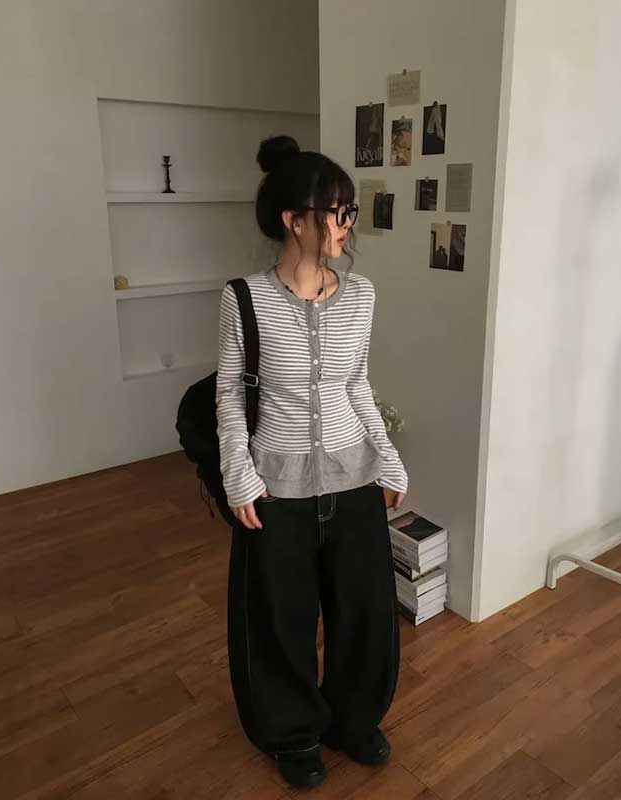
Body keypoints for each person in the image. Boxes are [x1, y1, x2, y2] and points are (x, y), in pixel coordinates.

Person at [216, 135, 409, 789]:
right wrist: (239, 474)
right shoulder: (244, 298)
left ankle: (353, 721)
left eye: (349, 211)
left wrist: (389, 459)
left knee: (364, 612)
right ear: (294, 219)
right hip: (277, 488)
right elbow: (229, 394)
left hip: (355, 482)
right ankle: (293, 732)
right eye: (337, 211)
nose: (347, 224)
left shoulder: (362, 296)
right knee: (281, 619)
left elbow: (356, 384)